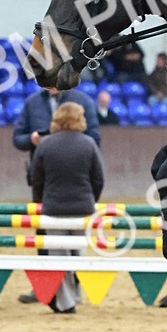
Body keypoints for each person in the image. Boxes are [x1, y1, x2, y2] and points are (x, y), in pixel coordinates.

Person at [29, 101, 104, 314]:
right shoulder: (89, 143)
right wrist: (91, 200)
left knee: (58, 255)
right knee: (77, 252)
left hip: (54, 208)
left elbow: (36, 177)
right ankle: (76, 293)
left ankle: (66, 302)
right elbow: (98, 178)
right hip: (83, 208)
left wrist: (42, 201)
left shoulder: (45, 144)